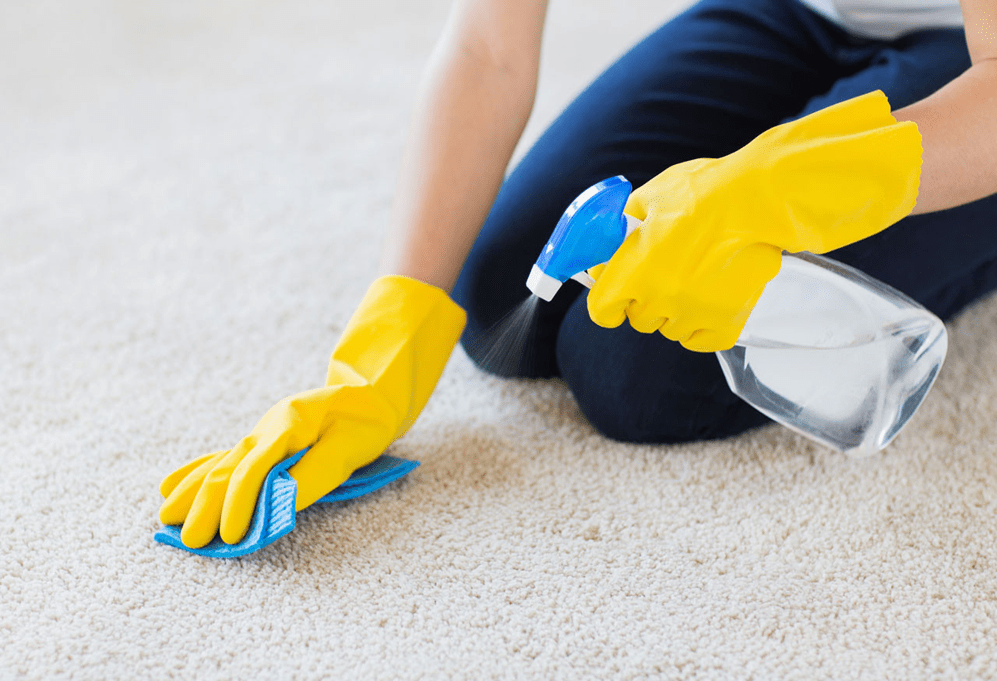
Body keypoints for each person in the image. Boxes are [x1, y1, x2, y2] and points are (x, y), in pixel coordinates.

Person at [158, 0, 997, 549]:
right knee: (498, 298)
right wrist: (382, 343)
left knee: (636, 370)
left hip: (970, 55)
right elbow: (488, 48)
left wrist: (770, 188)